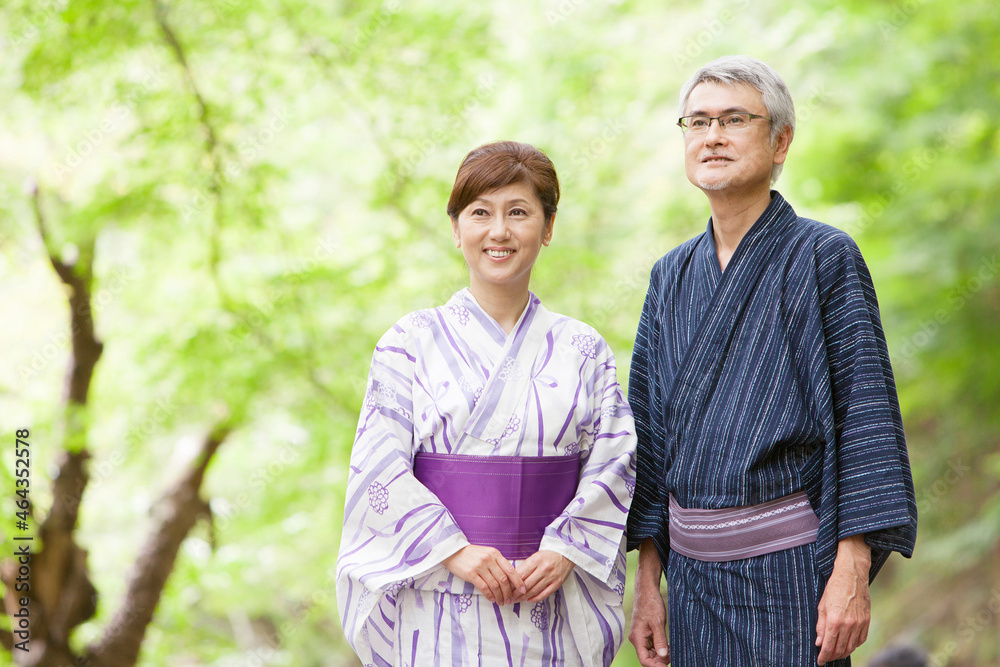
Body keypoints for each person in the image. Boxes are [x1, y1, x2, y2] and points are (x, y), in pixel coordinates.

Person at [626, 56, 917, 667]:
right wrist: (648, 583)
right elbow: (648, 438)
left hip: (792, 577)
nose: (712, 136)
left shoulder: (823, 257)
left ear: (781, 141)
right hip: (692, 584)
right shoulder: (669, 276)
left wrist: (852, 567)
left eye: (734, 119)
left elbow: (864, 415)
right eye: (698, 122)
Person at [337, 140, 637, 666]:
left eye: (518, 212)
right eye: (480, 213)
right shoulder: (409, 343)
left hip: (549, 600)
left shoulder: (582, 348)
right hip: (438, 600)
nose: (499, 231)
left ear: (548, 227)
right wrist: (455, 550)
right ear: (456, 228)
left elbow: (615, 461)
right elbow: (378, 470)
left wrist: (566, 548)